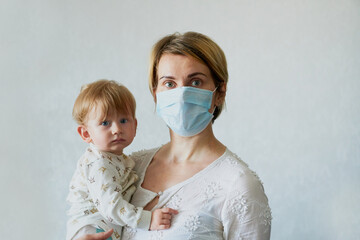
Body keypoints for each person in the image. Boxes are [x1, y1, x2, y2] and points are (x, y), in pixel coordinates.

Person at [79, 32, 272, 240]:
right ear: (155, 94)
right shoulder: (129, 166)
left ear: (219, 92)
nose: (182, 95)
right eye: (169, 83)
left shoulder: (238, 185)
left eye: (196, 82)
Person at [66, 80, 178, 240]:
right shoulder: (99, 163)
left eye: (123, 121)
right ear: (86, 134)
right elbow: (110, 207)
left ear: (135, 125)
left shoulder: (121, 159)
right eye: (105, 123)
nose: (117, 129)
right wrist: (149, 219)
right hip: (94, 231)